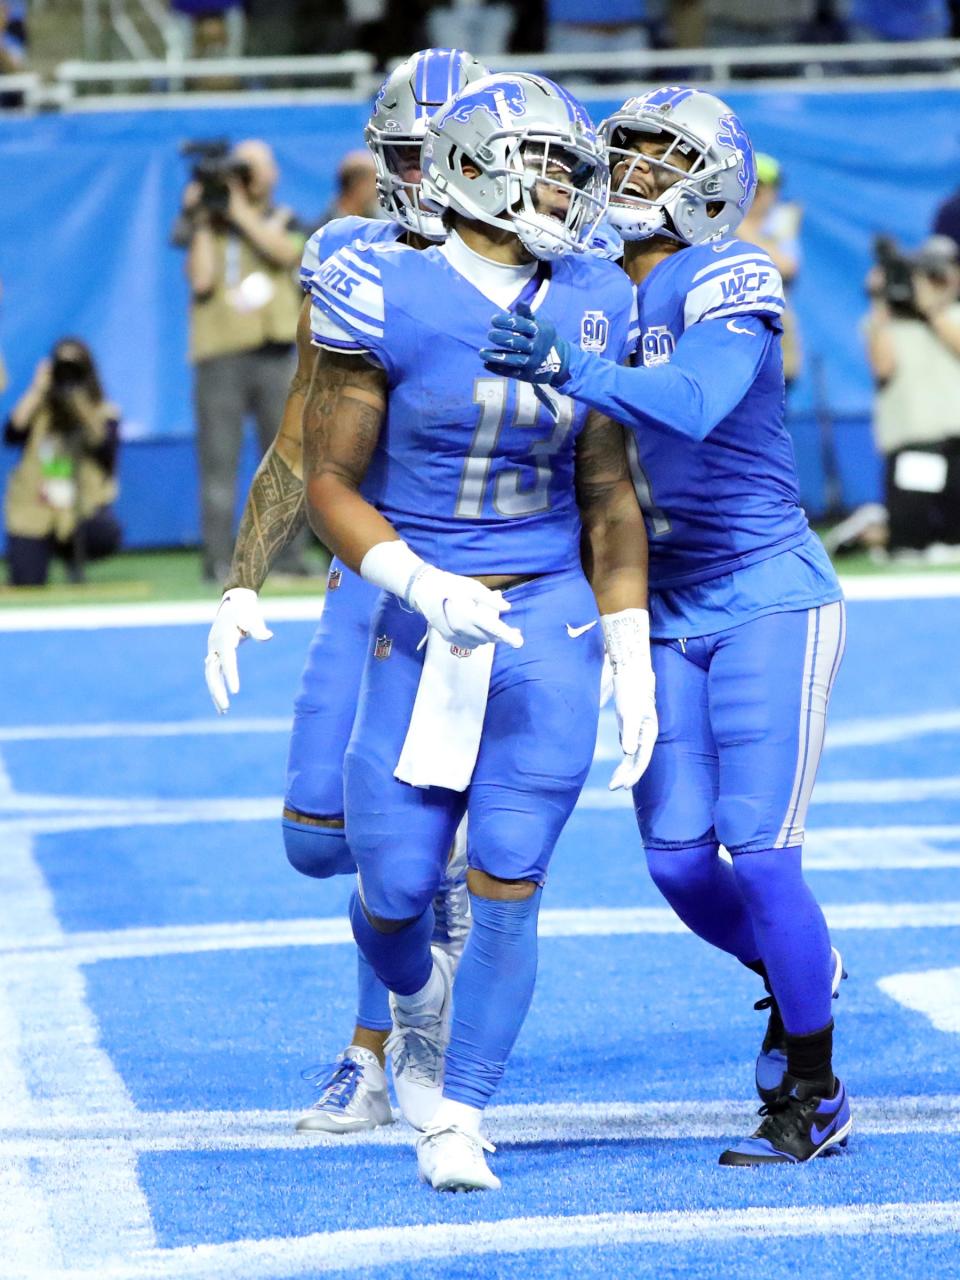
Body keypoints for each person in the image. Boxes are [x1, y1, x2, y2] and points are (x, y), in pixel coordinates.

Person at [481, 84, 850, 1167]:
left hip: (769, 590)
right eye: (625, 150)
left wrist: (573, 366)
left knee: (764, 852)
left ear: (712, 180)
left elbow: (691, 400)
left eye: (660, 155)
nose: (633, 170)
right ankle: (802, 973)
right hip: (665, 602)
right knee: (683, 861)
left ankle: (813, 1083)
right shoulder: (583, 287)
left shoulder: (728, 272)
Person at [303, 71, 657, 1191]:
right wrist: (414, 580)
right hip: (420, 612)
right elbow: (327, 481)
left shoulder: (596, 293)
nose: (565, 188)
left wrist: (632, 653)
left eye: (569, 167)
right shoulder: (382, 289)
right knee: (395, 883)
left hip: (544, 611)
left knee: (510, 863)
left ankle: (461, 1112)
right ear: (469, 171)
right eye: (543, 165)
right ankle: (411, 1001)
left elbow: (607, 494)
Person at [205, 48, 490, 1136]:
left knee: (389, 842)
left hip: (481, 585)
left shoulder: (549, 270)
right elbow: (301, 432)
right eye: (411, 153)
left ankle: (374, 1051)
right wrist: (239, 580)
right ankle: (437, 892)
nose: (429, 175)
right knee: (315, 837)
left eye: (447, 152)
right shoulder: (349, 256)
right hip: (364, 572)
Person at [173, 139, 307, 583]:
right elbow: (203, 278)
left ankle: (287, 558)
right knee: (219, 464)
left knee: (288, 461)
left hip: (277, 355)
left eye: (253, 168)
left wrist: (238, 211)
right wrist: (203, 218)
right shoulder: (207, 223)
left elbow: (287, 254)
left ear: (271, 175)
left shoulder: (284, 218)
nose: (245, 176)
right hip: (221, 357)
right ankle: (217, 560)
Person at [862, 234, 960, 556]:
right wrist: (881, 302)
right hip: (914, 446)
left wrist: (930, 308)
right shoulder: (885, 324)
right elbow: (883, 369)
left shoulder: (953, 316)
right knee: (909, 545)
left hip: (957, 445)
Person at [4, 340, 122, 586]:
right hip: (36, 509)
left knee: (105, 534)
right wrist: (38, 389)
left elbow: (106, 450)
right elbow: (12, 433)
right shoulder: (40, 409)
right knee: (27, 581)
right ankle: (38, 553)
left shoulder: (101, 411)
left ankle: (72, 557)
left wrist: (80, 402)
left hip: (79, 510)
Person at [736, 153, 802, 386]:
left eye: (762, 187)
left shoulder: (781, 225)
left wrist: (739, 227)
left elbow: (787, 266)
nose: (757, 194)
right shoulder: (720, 223)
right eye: (751, 185)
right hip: (733, 339)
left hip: (774, 338)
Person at [315, 151, 381, 228]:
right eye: (376, 182)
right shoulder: (317, 233)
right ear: (359, 185)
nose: (379, 190)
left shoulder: (378, 229)